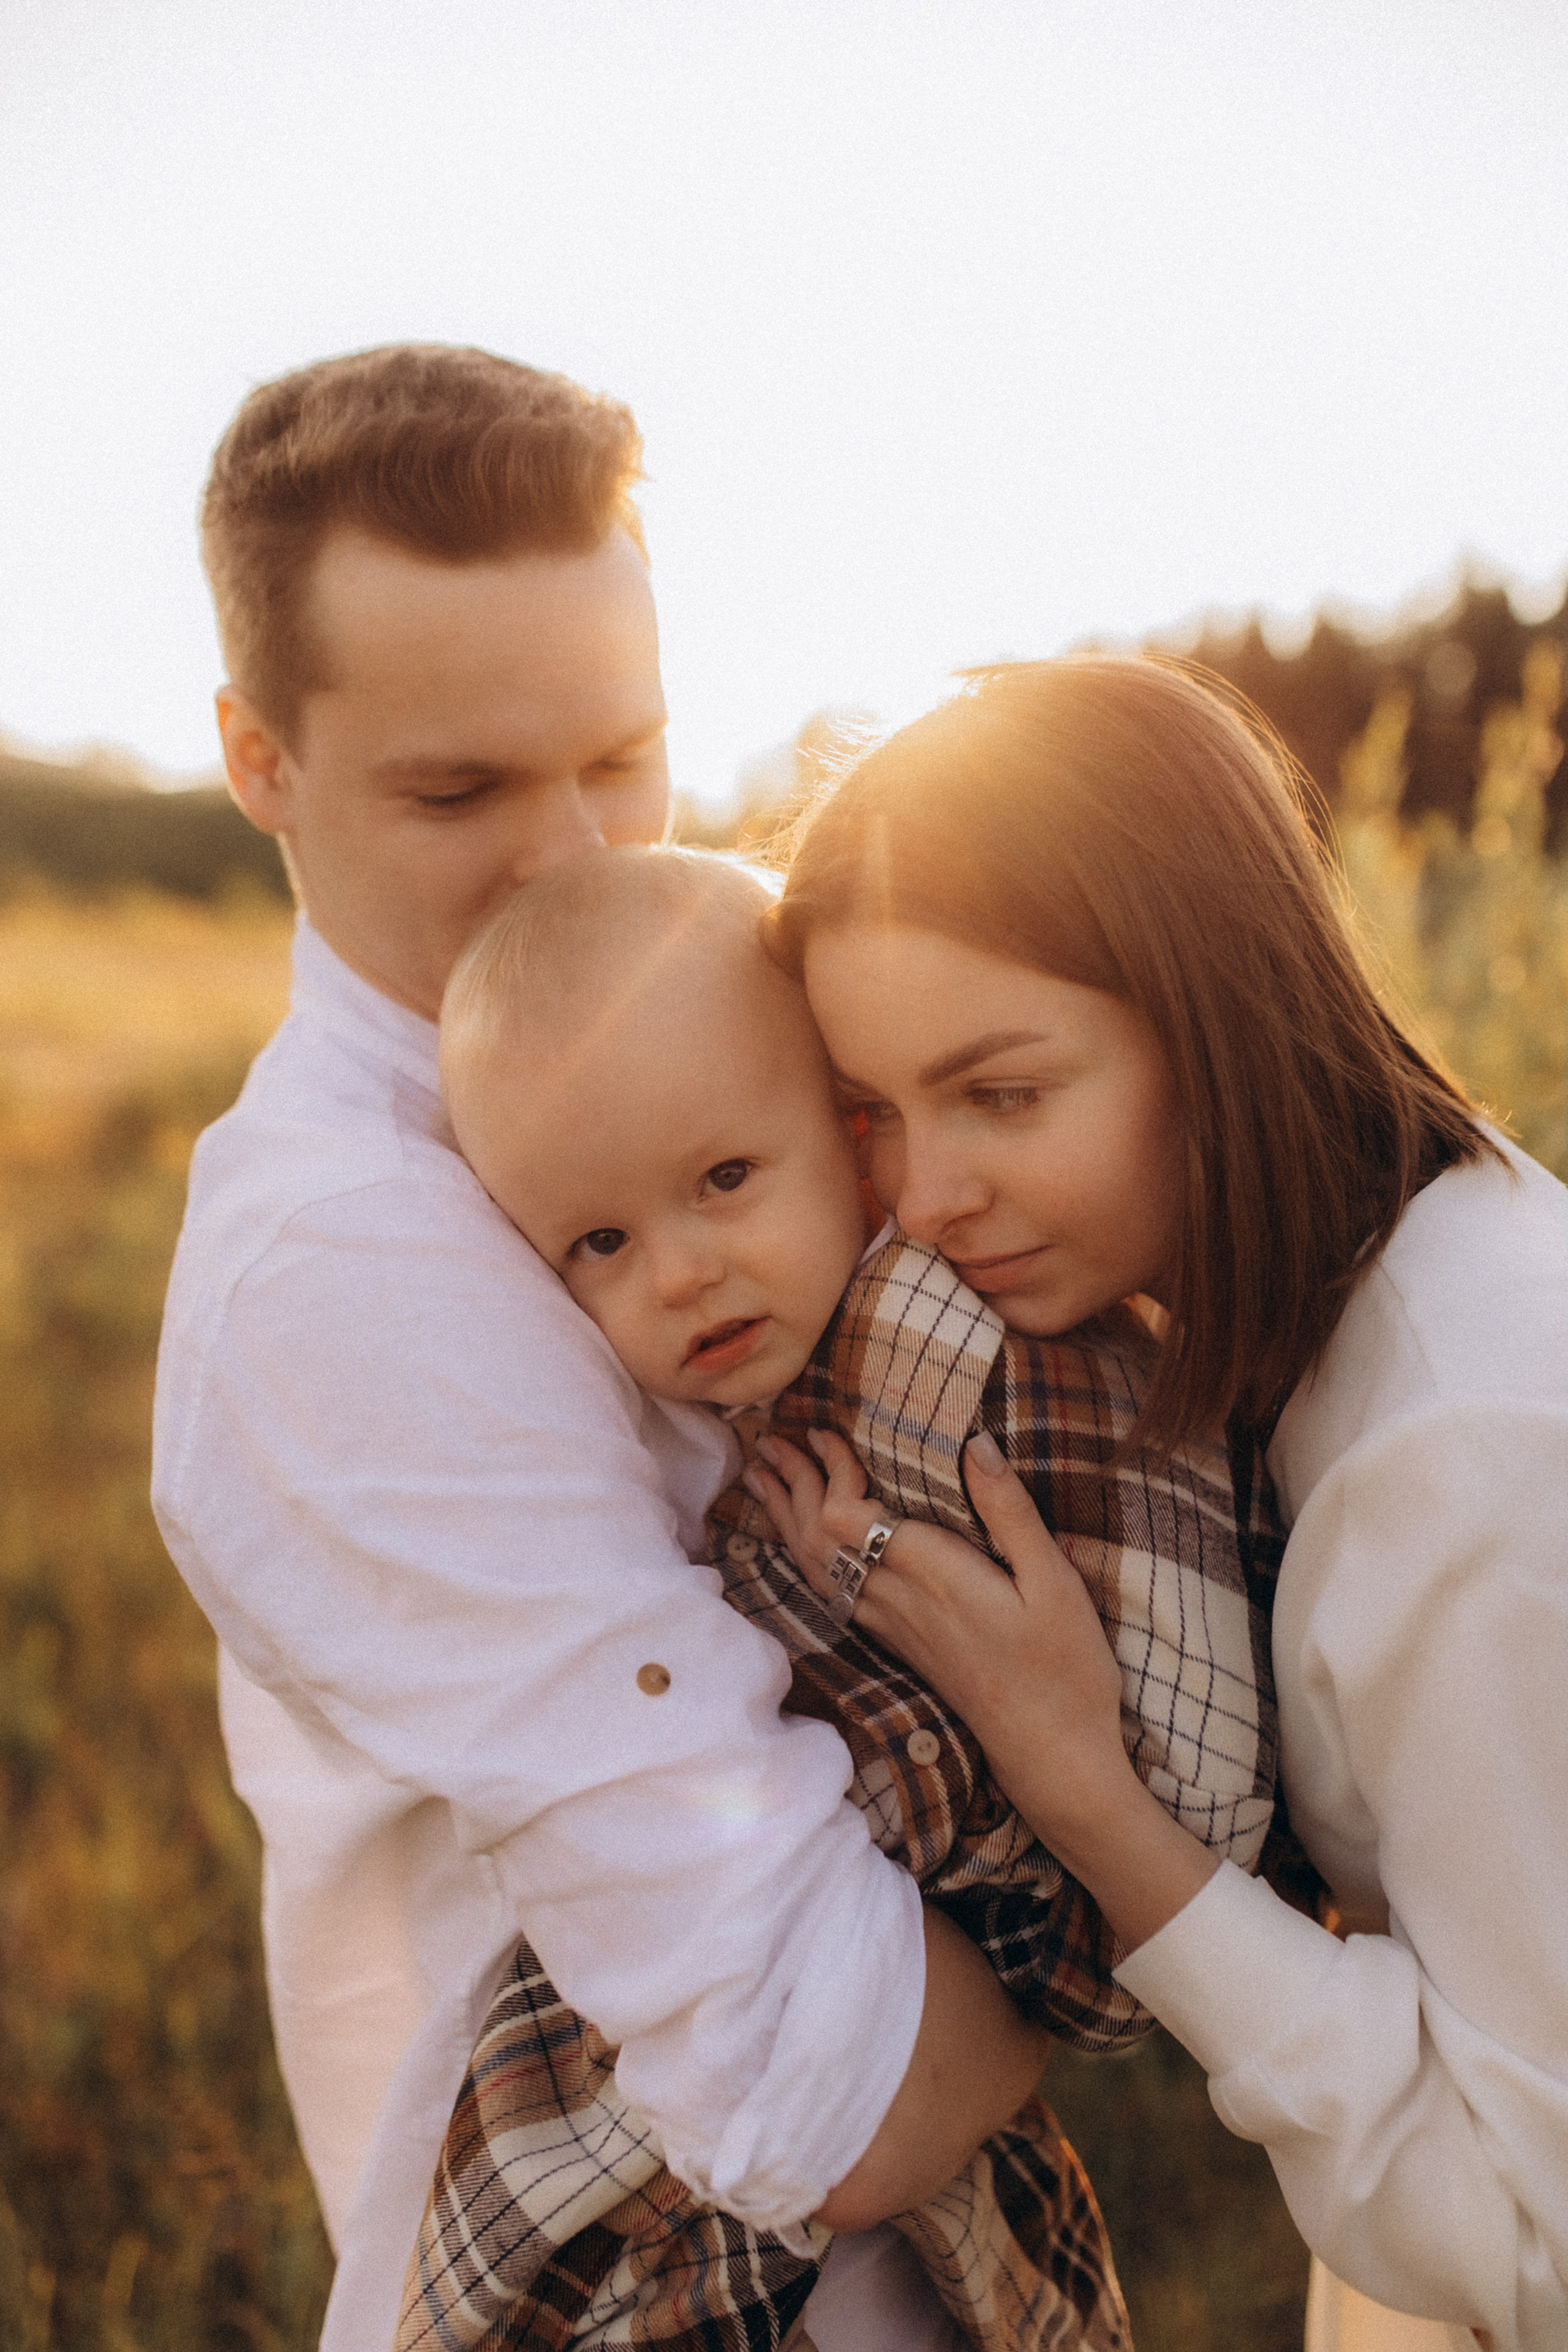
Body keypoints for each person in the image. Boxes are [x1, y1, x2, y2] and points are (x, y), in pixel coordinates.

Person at [151, 344, 1050, 2352]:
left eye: (623, 756)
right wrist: (1168, 1902)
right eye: (460, 787)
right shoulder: (339, 1276)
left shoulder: (714, 988)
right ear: (257, 758)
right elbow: (827, 2088)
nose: (574, 855)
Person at [744, 657, 1568, 2352]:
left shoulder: (1458, 1461)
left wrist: (1086, 1793)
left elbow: (1538, 2243)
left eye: (1006, 1092)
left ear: (1217, 1011)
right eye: (873, 1114)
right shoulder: (1397, 1244)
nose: (927, 1194)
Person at [399, 841, 1287, 2350]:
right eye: (597, 1242)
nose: (678, 1275)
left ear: (847, 1129)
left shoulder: (952, 1361)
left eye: (724, 1181)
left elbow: (1195, 1802)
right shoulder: (799, 1386)